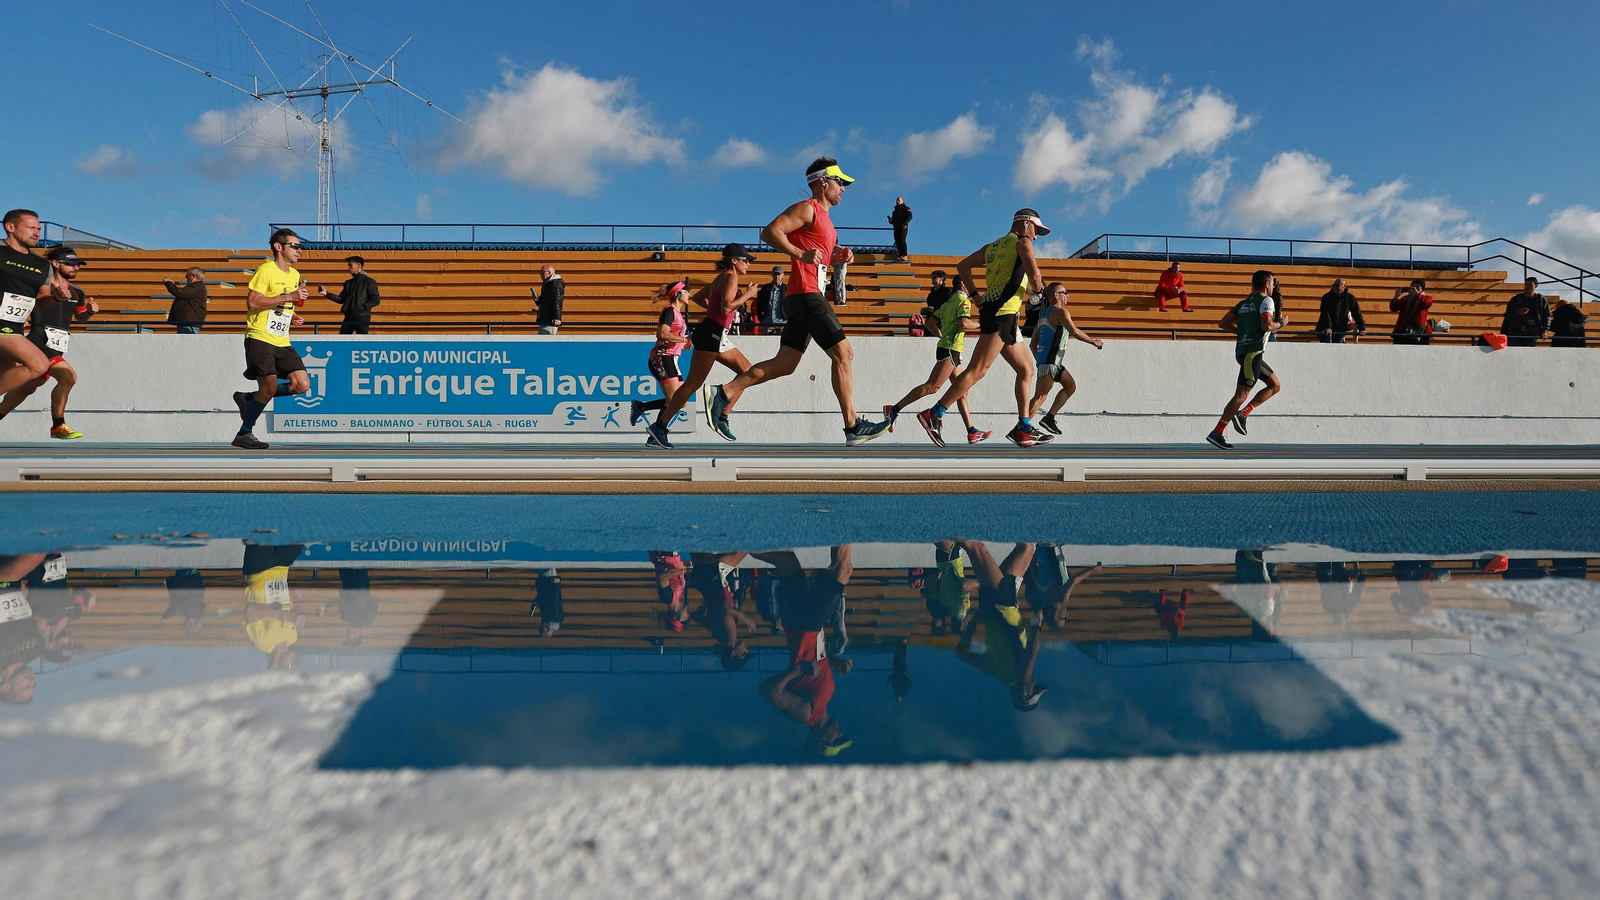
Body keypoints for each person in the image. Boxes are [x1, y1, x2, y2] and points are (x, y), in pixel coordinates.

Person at [703, 158, 890, 447]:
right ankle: (852, 425)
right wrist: (798, 254)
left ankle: (725, 392)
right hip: (806, 295)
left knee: (785, 363)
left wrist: (836, 254)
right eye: (840, 182)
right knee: (844, 354)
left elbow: (815, 253)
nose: (844, 188)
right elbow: (769, 232)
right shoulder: (808, 208)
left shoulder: (825, 220)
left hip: (800, 296)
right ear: (823, 181)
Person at [915, 209, 1053, 448]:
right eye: (1036, 230)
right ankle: (934, 413)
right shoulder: (1023, 242)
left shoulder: (994, 246)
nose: (1036, 237)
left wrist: (976, 295)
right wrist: (1039, 292)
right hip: (1003, 314)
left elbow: (962, 266)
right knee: (978, 370)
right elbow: (1034, 273)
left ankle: (1024, 428)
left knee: (1027, 369)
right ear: (1025, 225)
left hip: (996, 311)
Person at [646, 244, 758, 449]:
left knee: (748, 371)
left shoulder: (721, 278)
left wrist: (714, 312)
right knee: (692, 384)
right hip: (712, 333)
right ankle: (660, 427)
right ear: (734, 260)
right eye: (746, 260)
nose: (748, 264)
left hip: (716, 332)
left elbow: (698, 298)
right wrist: (748, 295)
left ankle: (721, 414)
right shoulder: (731, 277)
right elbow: (726, 307)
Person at [756, 545, 855, 758]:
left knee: (843, 569)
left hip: (804, 628)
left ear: (821, 740)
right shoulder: (823, 703)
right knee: (786, 561)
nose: (840, 733)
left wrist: (798, 669)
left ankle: (845, 522)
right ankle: (736, 546)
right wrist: (833, 662)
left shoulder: (805, 715)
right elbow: (817, 662)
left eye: (837, 739)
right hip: (805, 626)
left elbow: (766, 690)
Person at [0, 247, 98, 439]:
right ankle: (58, 425)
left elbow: (80, 317)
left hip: (58, 345)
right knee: (68, 377)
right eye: (70, 263)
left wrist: (90, 312)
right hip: (38, 341)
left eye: (78, 264)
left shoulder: (78, 292)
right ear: (55, 263)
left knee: (26, 389)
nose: (76, 268)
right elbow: (19, 304)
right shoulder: (41, 289)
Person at [883, 273, 990, 443]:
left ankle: (971, 430)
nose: (972, 288)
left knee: (961, 390)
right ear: (962, 284)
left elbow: (929, 323)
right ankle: (894, 409)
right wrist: (983, 324)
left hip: (947, 347)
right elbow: (964, 323)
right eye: (969, 284)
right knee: (932, 387)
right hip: (952, 349)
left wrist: (941, 335)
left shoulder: (947, 303)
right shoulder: (963, 302)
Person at [229, 228, 310, 450]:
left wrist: (291, 315)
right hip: (260, 337)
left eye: (300, 246)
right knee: (270, 387)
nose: (299, 250)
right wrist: (290, 297)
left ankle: (249, 399)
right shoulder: (266, 270)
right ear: (278, 247)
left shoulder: (294, 275)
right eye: (294, 246)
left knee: (301, 385)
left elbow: (279, 302)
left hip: (282, 339)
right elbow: (253, 303)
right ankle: (244, 433)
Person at [954, 541, 1049, 712]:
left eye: (1034, 688)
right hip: (991, 606)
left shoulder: (1021, 679)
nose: (1033, 682)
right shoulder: (994, 672)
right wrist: (974, 620)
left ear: (1024, 694)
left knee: (978, 549)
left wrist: (1038, 622)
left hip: (1004, 604)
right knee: (1025, 548)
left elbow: (1033, 647)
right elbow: (961, 653)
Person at [1206, 269, 1286, 450]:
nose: (1274, 286)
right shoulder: (1267, 300)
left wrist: (1243, 332)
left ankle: (1243, 414)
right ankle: (1217, 432)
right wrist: (1281, 324)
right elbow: (1267, 325)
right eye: (1273, 283)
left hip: (1244, 352)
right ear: (1266, 284)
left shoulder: (1243, 304)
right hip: (1253, 353)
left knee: (1275, 385)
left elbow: (1223, 323)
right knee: (1241, 395)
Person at [0, 210, 67, 405]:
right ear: (10, 227)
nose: (37, 232)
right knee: (38, 364)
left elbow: (41, 298)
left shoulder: (41, 265)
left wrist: (56, 297)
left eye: (38, 229)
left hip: (15, 327)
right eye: (31, 228)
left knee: (10, 376)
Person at [1026, 283, 1103, 437]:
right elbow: (1073, 330)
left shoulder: (1043, 315)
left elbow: (1033, 343)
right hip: (1051, 361)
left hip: (1052, 362)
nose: (1068, 296)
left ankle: (1049, 418)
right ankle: (1022, 427)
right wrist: (1093, 342)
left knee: (1070, 386)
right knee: (1041, 396)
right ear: (1056, 295)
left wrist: (1040, 360)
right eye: (1065, 292)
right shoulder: (1060, 311)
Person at [630, 281, 692, 427]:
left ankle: (642, 407)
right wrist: (684, 339)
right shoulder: (669, 311)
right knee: (673, 400)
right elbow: (663, 333)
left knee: (681, 401)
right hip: (661, 358)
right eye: (686, 291)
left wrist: (683, 344)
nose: (689, 294)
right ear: (678, 294)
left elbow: (672, 337)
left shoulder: (678, 314)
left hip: (671, 359)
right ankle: (657, 432)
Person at [242, 542, 307, 669]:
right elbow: (284, 604)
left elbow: (251, 612)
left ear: (279, 665)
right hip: (281, 569)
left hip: (259, 572)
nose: (295, 663)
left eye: (291, 665)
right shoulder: (293, 637)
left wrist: (284, 615)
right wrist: (292, 595)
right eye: (296, 664)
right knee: (297, 537)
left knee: (263, 534)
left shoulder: (263, 644)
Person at [318, 255, 380, 334]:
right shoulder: (348, 283)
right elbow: (341, 299)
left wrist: (362, 307)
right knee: (343, 341)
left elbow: (376, 299)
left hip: (362, 316)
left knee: (361, 341)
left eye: (350, 265)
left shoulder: (369, 282)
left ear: (358, 266)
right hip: (349, 317)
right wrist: (326, 293)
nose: (348, 267)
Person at [1502, 277, 1551, 347]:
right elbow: (1507, 315)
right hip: (1516, 331)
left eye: (1530, 285)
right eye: (1526, 285)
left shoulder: (1541, 300)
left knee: (1528, 353)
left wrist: (1544, 330)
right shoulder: (1516, 299)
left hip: (1533, 332)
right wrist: (1518, 313)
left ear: (1536, 286)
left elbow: (1547, 316)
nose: (1527, 287)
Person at [1315, 278, 1367, 343]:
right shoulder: (1326, 297)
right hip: (1324, 331)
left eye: (1337, 285)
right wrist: (1328, 327)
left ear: (1344, 287)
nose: (1335, 287)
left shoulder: (1350, 298)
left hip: (1339, 331)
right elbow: (1325, 313)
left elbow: (1357, 313)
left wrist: (1362, 328)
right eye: (1334, 285)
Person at [163, 267, 209, 333]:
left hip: (189, 324)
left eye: (187, 275)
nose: (186, 277)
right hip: (188, 323)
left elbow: (178, 292)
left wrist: (169, 283)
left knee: (185, 342)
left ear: (193, 276)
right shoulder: (198, 287)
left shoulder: (196, 287)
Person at [1389, 279, 1432, 345]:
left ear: (1422, 289)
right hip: (1403, 331)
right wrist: (1396, 296)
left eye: (1417, 287)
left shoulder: (1426, 298)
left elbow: (1426, 304)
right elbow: (1393, 308)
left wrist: (1418, 295)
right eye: (1413, 286)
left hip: (1419, 332)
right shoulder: (1405, 299)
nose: (1414, 289)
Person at [534, 264, 564, 334]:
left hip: (550, 320)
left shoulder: (555, 284)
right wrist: (538, 300)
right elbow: (545, 302)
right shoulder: (548, 283)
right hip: (545, 319)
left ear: (549, 273)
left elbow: (556, 300)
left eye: (542, 272)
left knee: (546, 340)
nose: (540, 274)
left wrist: (557, 318)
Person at [755, 266, 785, 334]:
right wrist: (761, 319)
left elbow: (790, 305)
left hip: (781, 322)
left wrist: (786, 319)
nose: (777, 276)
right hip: (767, 322)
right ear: (772, 275)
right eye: (775, 274)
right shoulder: (765, 288)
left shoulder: (786, 289)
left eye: (779, 274)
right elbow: (759, 304)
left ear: (782, 275)